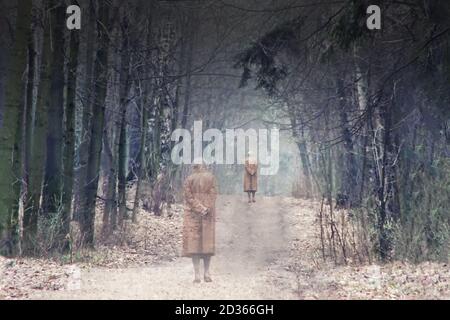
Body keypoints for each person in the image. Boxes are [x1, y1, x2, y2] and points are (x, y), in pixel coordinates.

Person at [182, 161, 218, 283]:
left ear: (194, 167)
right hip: (208, 214)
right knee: (207, 242)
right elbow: (213, 194)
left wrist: (199, 208)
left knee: (194, 244)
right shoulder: (211, 178)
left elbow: (188, 197)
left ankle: (197, 274)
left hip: (193, 214)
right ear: (204, 166)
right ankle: (207, 273)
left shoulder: (189, 179)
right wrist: (206, 207)